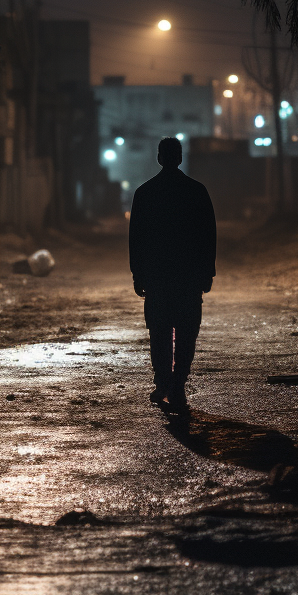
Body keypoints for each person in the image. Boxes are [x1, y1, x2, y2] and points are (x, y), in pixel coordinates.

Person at [128, 136, 216, 412]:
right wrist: (207, 272)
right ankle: (179, 385)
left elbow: (136, 239)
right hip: (188, 277)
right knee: (187, 331)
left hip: (157, 276)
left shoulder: (145, 193)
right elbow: (208, 236)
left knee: (160, 331)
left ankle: (163, 383)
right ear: (179, 158)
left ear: (159, 158)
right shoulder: (197, 191)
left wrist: (138, 274)